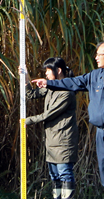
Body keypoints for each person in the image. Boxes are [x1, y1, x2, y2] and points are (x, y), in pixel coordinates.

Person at [32, 41, 104, 199]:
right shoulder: (95, 76)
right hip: (100, 132)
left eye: (99, 55)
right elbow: (73, 82)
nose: (96, 57)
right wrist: (49, 83)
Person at [23, 57, 80, 199]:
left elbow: (49, 114)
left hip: (63, 141)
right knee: (54, 175)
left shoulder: (67, 92)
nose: (46, 74)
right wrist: (26, 78)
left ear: (58, 70)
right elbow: (31, 94)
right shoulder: (50, 88)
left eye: (49, 70)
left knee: (64, 173)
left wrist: (27, 121)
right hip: (51, 141)